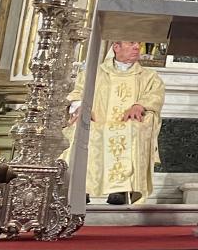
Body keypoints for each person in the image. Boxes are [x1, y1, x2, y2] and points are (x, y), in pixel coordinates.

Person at [66, 41, 165, 205]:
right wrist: (80, 106)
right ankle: (81, 188)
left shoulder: (148, 76)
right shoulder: (93, 73)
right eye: (131, 43)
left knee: (133, 129)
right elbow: (77, 92)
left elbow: (155, 95)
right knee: (83, 128)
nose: (137, 47)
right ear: (116, 47)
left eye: (138, 44)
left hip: (129, 121)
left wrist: (139, 106)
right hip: (97, 119)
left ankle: (121, 189)